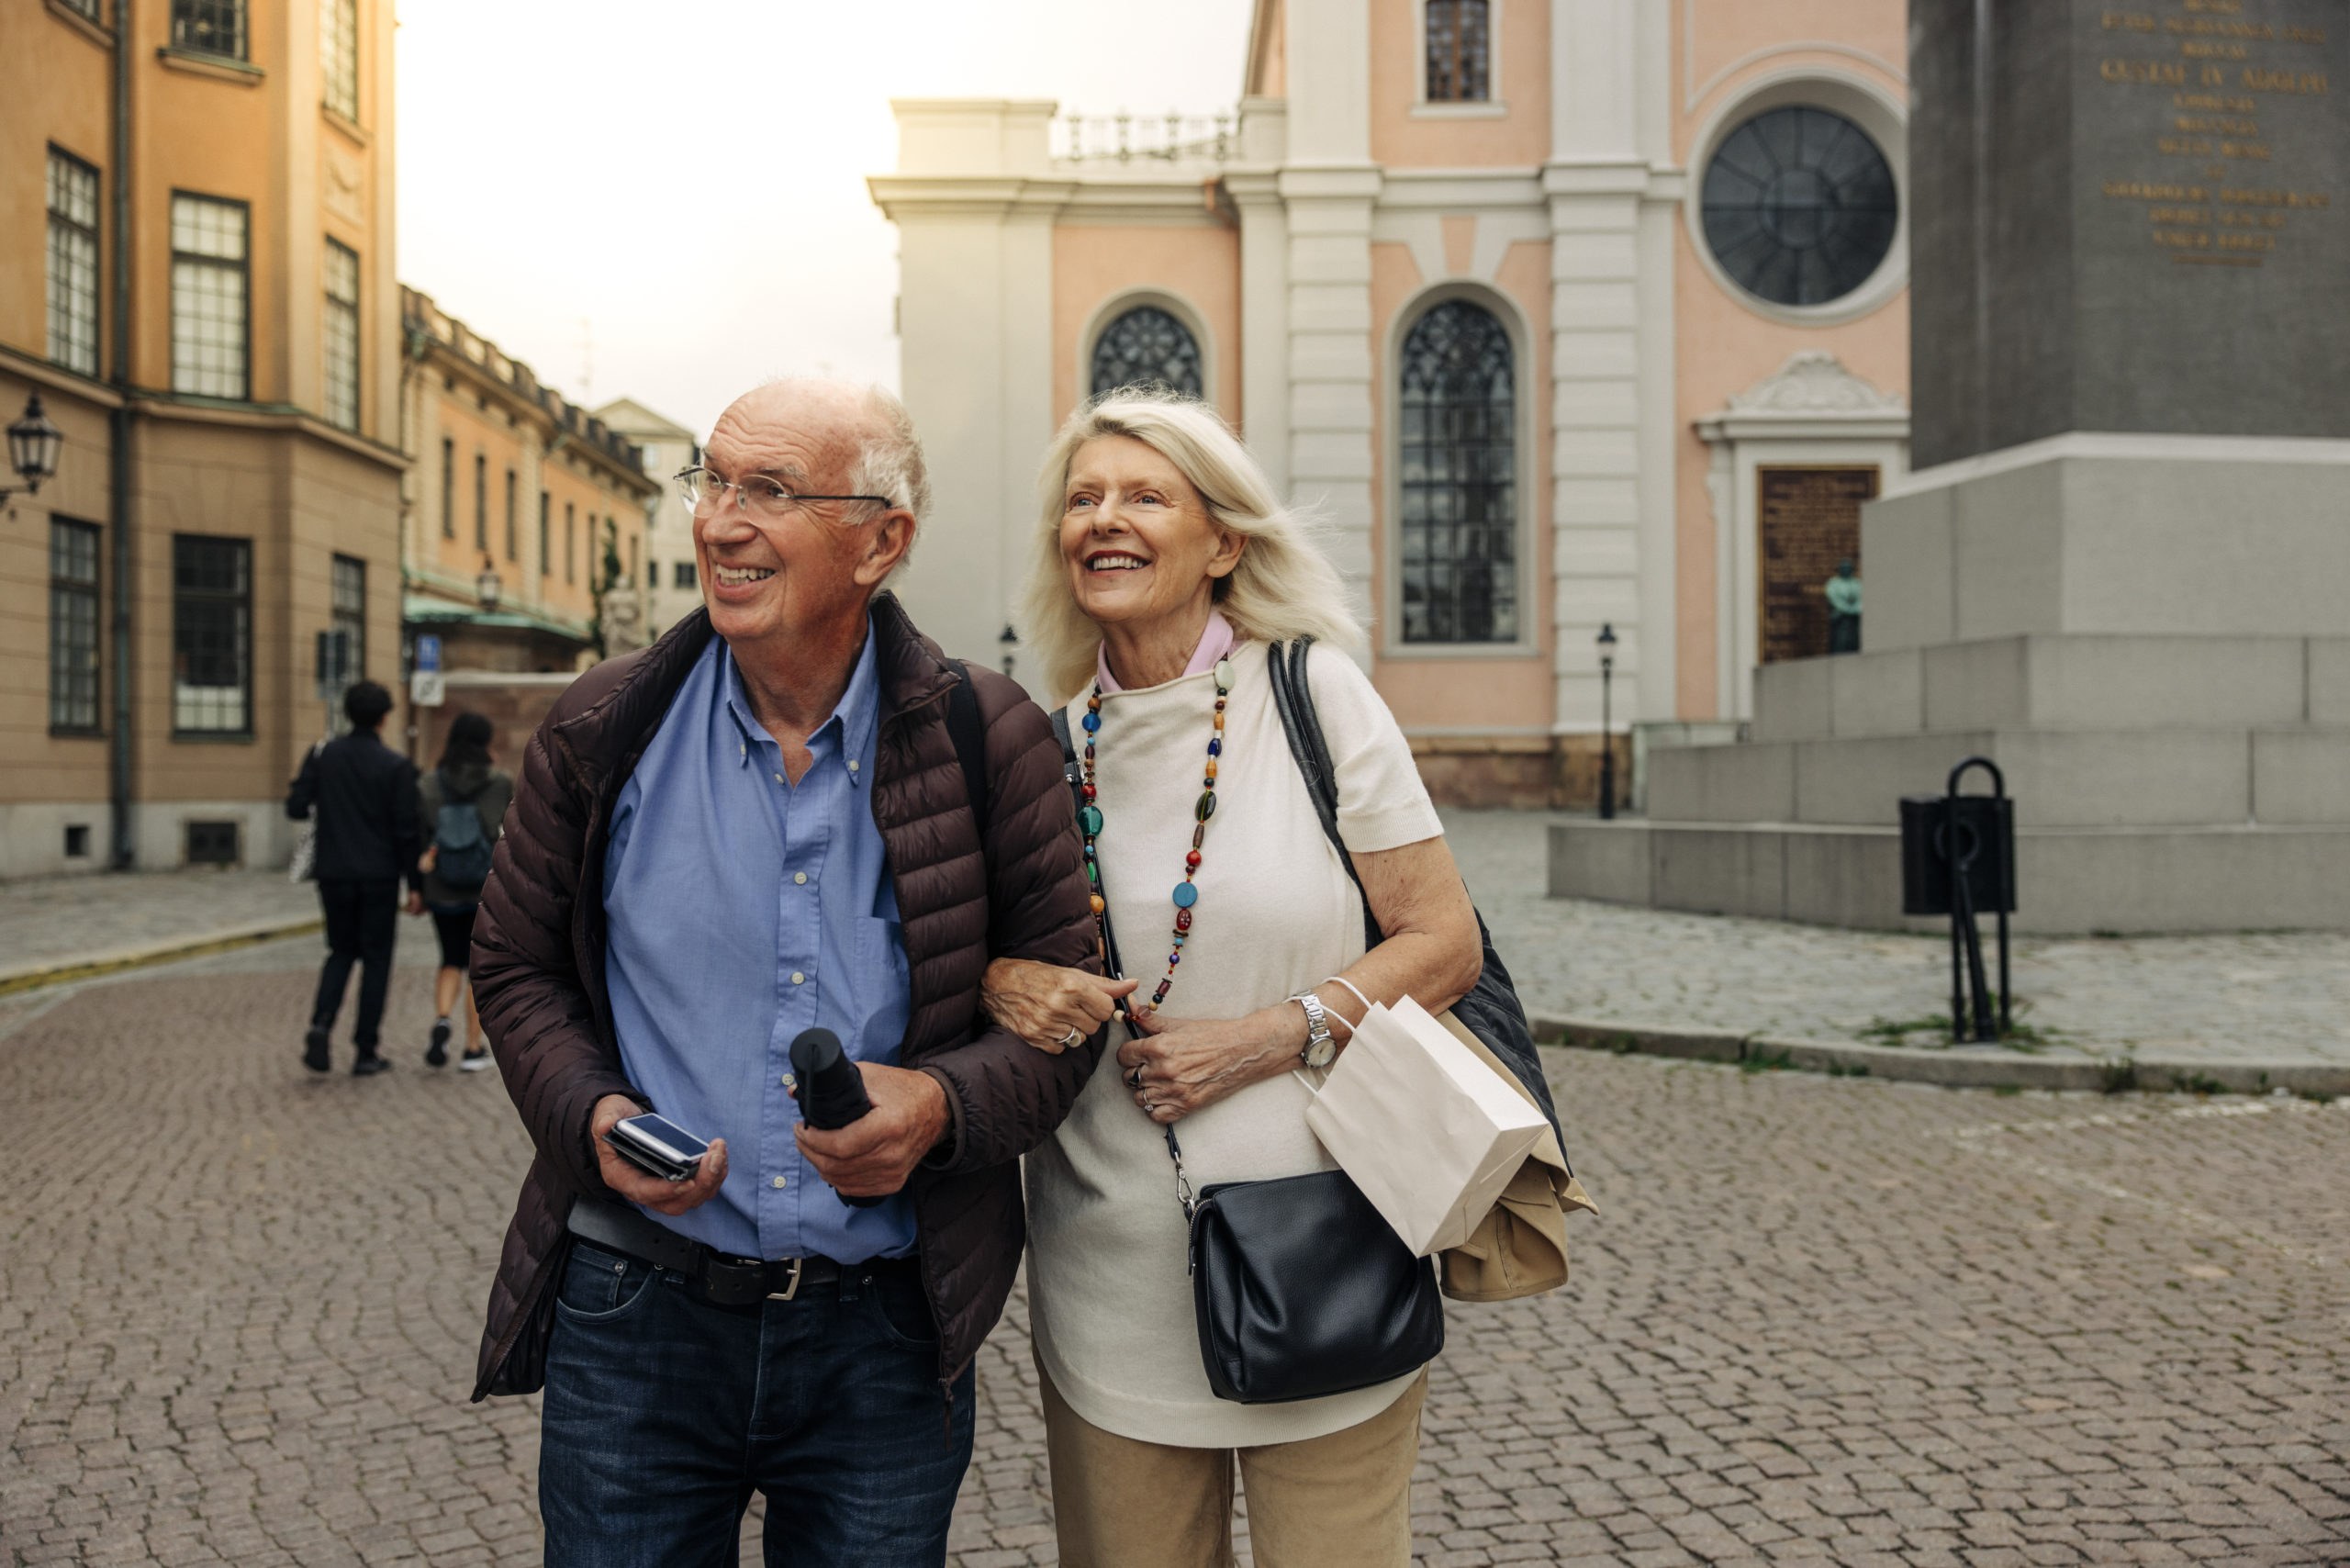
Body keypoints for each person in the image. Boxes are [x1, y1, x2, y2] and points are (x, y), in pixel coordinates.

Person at [465, 378, 1101, 1567]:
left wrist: (943, 1108)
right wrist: (590, 1112)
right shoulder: (605, 725)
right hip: (635, 1316)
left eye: (769, 490)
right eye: (711, 479)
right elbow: (513, 963)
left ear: (882, 541)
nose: (718, 520)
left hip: (883, 1338)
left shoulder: (993, 735)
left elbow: (1070, 1014)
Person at [979, 391, 1485, 1568]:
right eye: (1083, 498)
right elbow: (968, 958)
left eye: (1146, 495)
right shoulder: (1037, 750)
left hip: (1331, 1249)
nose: (1105, 518)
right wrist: (1003, 977)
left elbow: (1444, 942)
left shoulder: (1315, 697)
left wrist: (1269, 1035)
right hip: (1109, 1275)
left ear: (1222, 543)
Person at [286, 678, 423, 1077]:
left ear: (348, 714)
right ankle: (366, 1050)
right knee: (377, 961)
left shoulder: (322, 756)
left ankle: (321, 1023)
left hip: (334, 872)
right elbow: (406, 831)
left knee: (340, 952)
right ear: (384, 718)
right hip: (380, 876)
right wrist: (415, 885)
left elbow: (295, 807)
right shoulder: (395, 766)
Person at [416, 711, 512, 1071]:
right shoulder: (498, 782)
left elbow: (422, 833)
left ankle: (442, 1018)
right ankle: (472, 1048)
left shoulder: (429, 783)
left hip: (441, 885)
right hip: (481, 886)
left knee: (449, 958)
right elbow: (507, 828)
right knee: (477, 966)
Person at [1826, 558, 1863, 654]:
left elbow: (1861, 599)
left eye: (1848, 568)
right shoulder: (1833, 583)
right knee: (1840, 641)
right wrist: (1847, 609)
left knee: (1854, 640)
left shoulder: (1857, 583)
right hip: (1840, 617)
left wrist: (1855, 609)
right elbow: (1834, 599)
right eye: (1844, 568)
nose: (1846, 570)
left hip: (1855, 617)